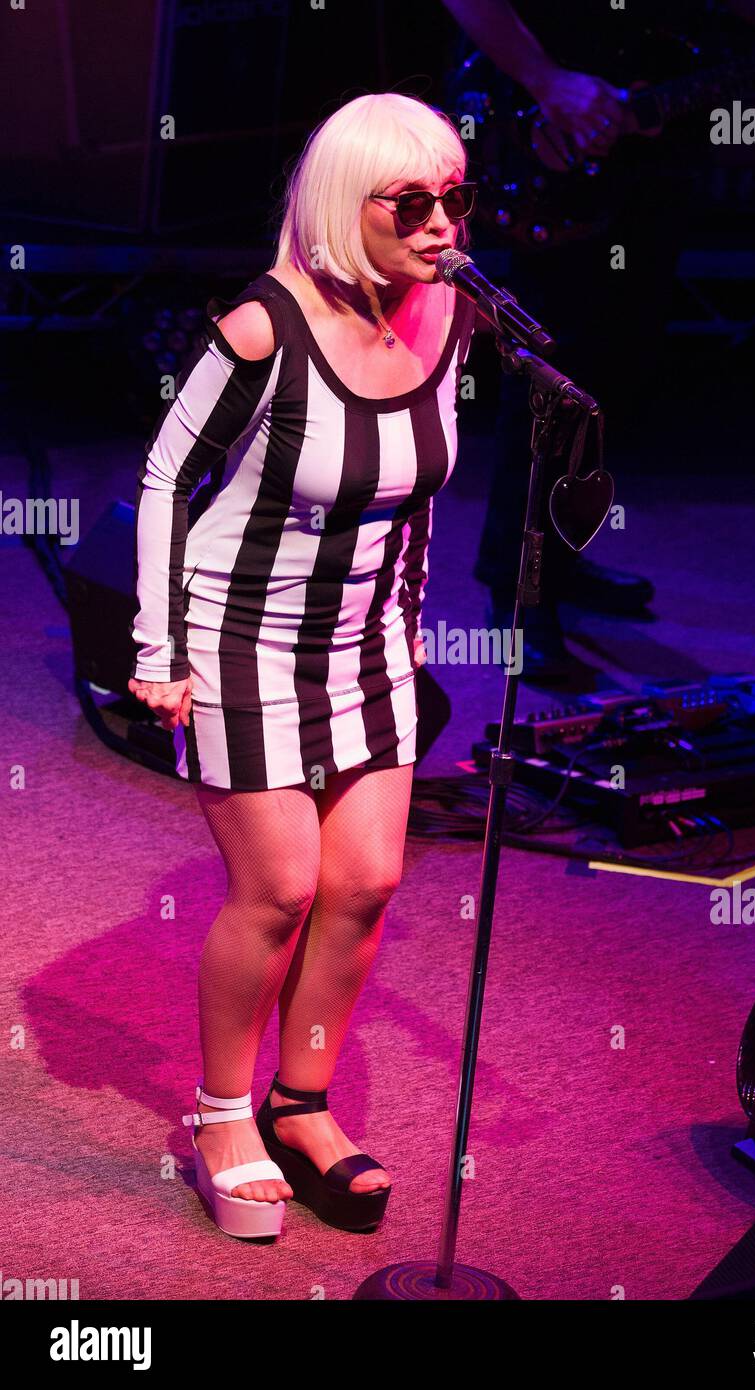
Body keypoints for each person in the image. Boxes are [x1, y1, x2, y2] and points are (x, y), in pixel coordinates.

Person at [127, 92, 477, 1240]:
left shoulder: (445, 321)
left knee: (367, 883)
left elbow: (417, 505)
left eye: (454, 200)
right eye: (412, 203)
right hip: (241, 633)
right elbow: (168, 479)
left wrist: (408, 638)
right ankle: (221, 1113)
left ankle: (302, 1101)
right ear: (344, 204)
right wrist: (157, 648)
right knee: (277, 888)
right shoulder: (260, 328)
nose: (440, 227)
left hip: (368, 644)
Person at [441, 0, 755, 684]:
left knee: (619, 360)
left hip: (651, 128)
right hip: (551, 119)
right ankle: (521, 592)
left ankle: (561, 560)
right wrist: (547, 80)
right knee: (561, 370)